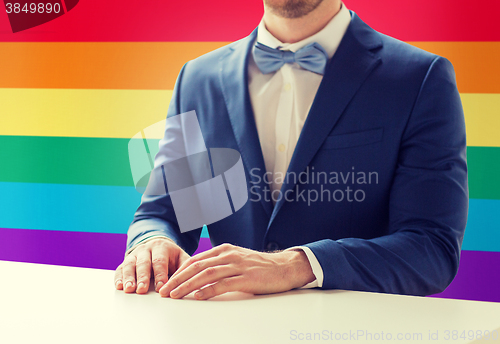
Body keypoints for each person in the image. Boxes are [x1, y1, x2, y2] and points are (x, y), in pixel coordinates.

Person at [114, 0, 468, 300]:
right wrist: (154, 241)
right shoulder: (198, 78)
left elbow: (431, 248)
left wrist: (296, 265)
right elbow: (166, 213)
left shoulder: (419, 78)